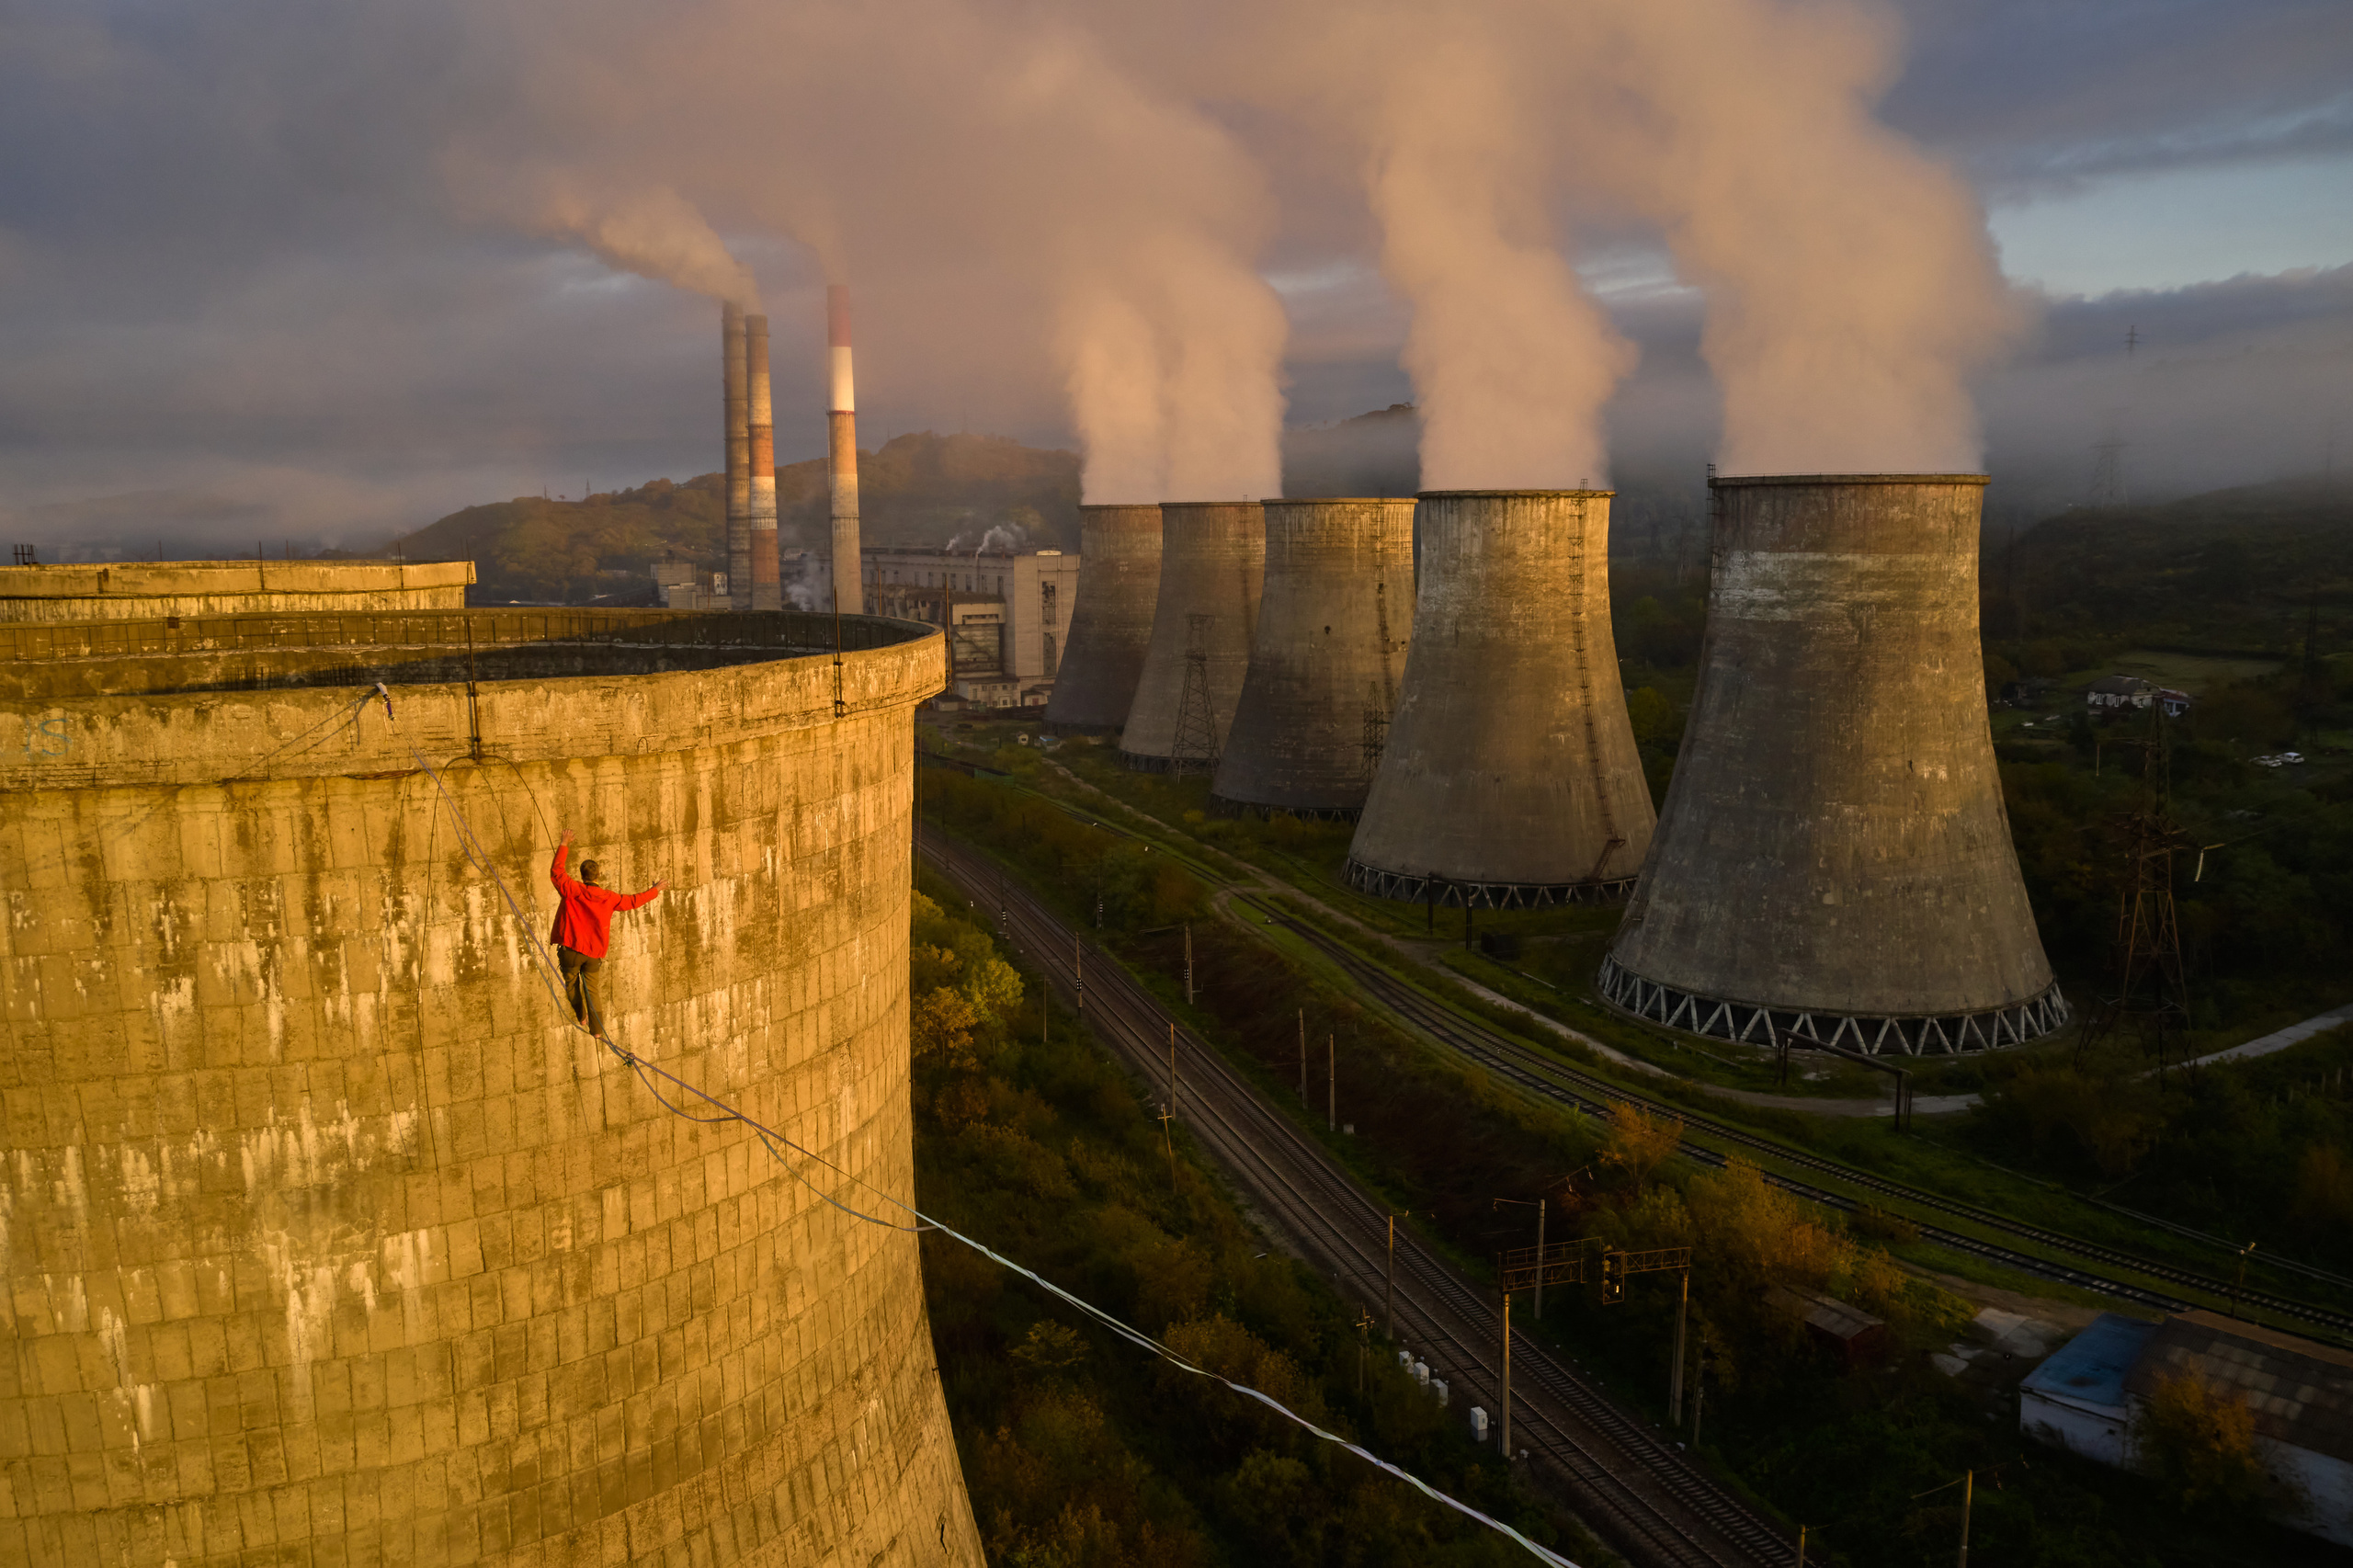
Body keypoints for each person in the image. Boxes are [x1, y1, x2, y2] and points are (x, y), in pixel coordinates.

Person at [549, 827, 664, 1038]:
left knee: (572, 984)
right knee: (593, 991)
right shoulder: (609, 898)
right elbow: (634, 901)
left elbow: (557, 872)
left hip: (571, 950)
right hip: (593, 953)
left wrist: (564, 843)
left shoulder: (572, 889)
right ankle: (597, 1031)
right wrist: (655, 890)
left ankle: (581, 1015)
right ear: (598, 875)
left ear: (582, 875)